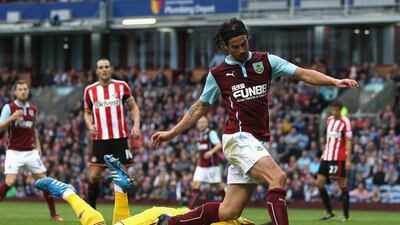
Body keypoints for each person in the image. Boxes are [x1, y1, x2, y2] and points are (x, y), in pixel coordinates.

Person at [151, 18, 358, 225]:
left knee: (229, 211)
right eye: (235, 46)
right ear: (225, 46)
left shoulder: (266, 61)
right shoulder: (218, 74)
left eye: (244, 43)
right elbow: (199, 107)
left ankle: (169, 223)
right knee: (278, 178)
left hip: (256, 141)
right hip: (238, 137)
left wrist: (334, 81)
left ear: (248, 39)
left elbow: (303, 74)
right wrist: (171, 133)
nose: (241, 49)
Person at [34, 155, 257, 225]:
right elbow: (211, 211)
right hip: (161, 220)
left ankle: (120, 189)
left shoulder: (243, 222)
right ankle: (67, 192)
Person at [0, 79, 63, 221]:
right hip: (14, 151)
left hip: (30, 152)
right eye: (20, 89)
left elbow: (33, 129)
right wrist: (12, 118)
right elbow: (0, 128)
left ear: (28, 91)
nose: (23, 91)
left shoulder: (33, 109)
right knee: (10, 181)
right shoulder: (8, 108)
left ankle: (54, 213)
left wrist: (39, 146)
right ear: (15, 92)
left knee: (45, 182)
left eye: (25, 89)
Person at [83, 58, 141, 209]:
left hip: (119, 138)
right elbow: (87, 112)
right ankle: (92, 210)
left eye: (106, 67)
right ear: (97, 71)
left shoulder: (121, 86)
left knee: (124, 177)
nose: (104, 69)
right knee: (94, 175)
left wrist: (136, 125)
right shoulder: (90, 90)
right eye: (101, 67)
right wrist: (89, 124)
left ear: (111, 69)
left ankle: (122, 214)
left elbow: (134, 107)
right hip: (100, 139)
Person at [317, 101, 352, 222]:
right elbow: (328, 139)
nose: (334, 112)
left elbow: (348, 141)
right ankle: (329, 211)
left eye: (337, 110)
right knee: (319, 183)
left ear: (341, 110)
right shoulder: (329, 120)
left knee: (342, 185)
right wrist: (324, 150)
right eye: (333, 110)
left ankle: (345, 215)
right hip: (326, 156)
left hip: (339, 157)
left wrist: (348, 159)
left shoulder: (345, 122)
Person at [188, 116, 225, 209]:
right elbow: (200, 152)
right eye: (199, 122)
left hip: (212, 165)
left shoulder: (211, 133)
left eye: (203, 122)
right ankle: (190, 208)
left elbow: (219, 145)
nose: (201, 124)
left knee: (217, 185)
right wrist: (197, 163)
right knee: (195, 184)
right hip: (201, 165)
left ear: (207, 123)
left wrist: (211, 152)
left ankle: (226, 203)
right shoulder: (198, 135)